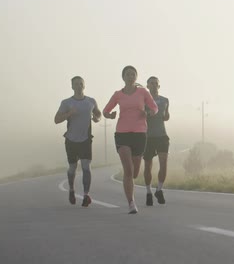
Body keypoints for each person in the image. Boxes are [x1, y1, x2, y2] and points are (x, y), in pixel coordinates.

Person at [103, 66, 158, 214]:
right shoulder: (118, 94)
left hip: (140, 134)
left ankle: (131, 193)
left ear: (136, 77)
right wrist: (110, 115)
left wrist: (149, 112)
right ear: (123, 77)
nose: (130, 76)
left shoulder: (143, 92)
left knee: (134, 173)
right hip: (122, 134)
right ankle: (131, 203)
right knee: (128, 170)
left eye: (133, 74)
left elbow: (154, 107)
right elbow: (105, 111)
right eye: (128, 74)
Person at [54, 76, 101, 207]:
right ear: (72, 86)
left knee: (86, 167)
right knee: (73, 168)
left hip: (86, 139)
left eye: (81, 84)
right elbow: (56, 119)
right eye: (76, 84)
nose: (79, 86)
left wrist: (97, 118)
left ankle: (86, 195)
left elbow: (98, 114)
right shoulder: (66, 102)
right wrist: (69, 113)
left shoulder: (91, 101)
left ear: (84, 86)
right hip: (71, 140)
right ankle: (71, 190)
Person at [143, 76, 170, 206]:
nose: (154, 85)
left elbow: (166, 116)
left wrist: (166, 116)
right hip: (147, 137)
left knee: (163, 162)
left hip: (162, 135)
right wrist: (146, 113)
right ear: (147, 86)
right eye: (151, 83)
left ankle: (159, 189)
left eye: (156, 84)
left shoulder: (165, 100)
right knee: (148, 166)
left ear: (159, 86)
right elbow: (139, 116)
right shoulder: (143, 100)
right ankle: (148, 192)